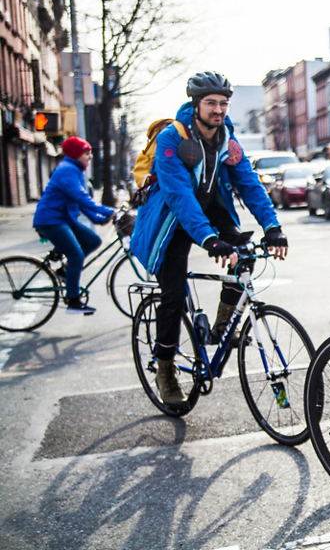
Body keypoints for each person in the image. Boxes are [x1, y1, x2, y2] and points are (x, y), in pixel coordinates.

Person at [130, 71, 288, 410]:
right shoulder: (173, 139)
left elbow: (249, 183)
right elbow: (178, 195)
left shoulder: (227, 139)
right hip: (170, 222)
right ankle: (166, 367)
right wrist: (208, 239)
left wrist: (272, 227)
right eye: (211, 103)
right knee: (172, 296)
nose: (218, 110)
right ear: (196, 104)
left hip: (210, 211)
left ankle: (222, 325)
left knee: (243, 256)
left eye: (223, 103)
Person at [33, 136, 116, 315]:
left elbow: (78, 202)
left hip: (63, 219)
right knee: (76, 255)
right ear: (76, 154)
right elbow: (80, 197)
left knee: (93, 241)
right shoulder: (67, 170)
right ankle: (73, 301)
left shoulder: (75, 170)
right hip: (51, 220)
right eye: (87, 153)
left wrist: (99, 219)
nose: (90, 156)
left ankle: (64, 271)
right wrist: (108, 211)